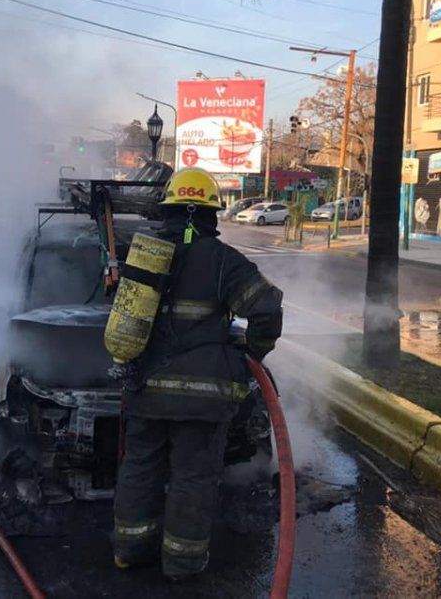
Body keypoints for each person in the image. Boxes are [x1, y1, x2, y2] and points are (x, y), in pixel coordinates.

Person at [112, 167, 284, 581]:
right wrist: (253, 353)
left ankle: (130, 553)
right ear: (211, 214)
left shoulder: (143, 254)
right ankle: (182, 564)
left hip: (145, 388)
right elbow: (266, 309)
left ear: (167, 209)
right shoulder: (225, 261)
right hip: (204, 398)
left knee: (140, 468)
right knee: (192, 478)